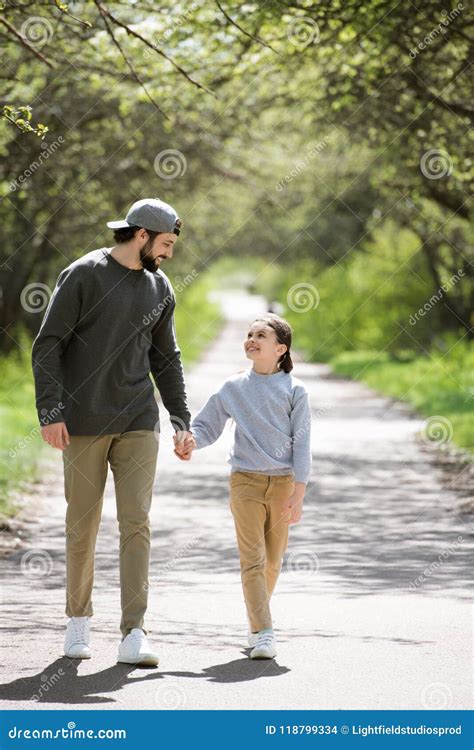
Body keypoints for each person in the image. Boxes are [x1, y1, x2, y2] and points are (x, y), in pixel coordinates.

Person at [31, 198, 193, 666]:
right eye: (164, 244)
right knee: (82, 521)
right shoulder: (84, 274)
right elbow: (48, 345)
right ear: (140, 235)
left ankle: (134, 632)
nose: (167, 254)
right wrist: (51, 411)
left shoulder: (159, 287)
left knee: (136, 522)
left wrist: (180, 418)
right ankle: (78, 622)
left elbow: (166, 357)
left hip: (139, 419)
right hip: (82, 420)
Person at [174, 313, 312, 659]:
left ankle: (255, 622)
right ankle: (263, 631)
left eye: (261, 335)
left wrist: (298, 493)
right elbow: (206, 426)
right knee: (252, 558)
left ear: (280, 348)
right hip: (245, 481)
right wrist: (192, 442)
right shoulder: (232, 387)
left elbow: (303, 443)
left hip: (282, 484)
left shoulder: (295, 390)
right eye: (249, 334)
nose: (251, 339)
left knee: (273, 561)